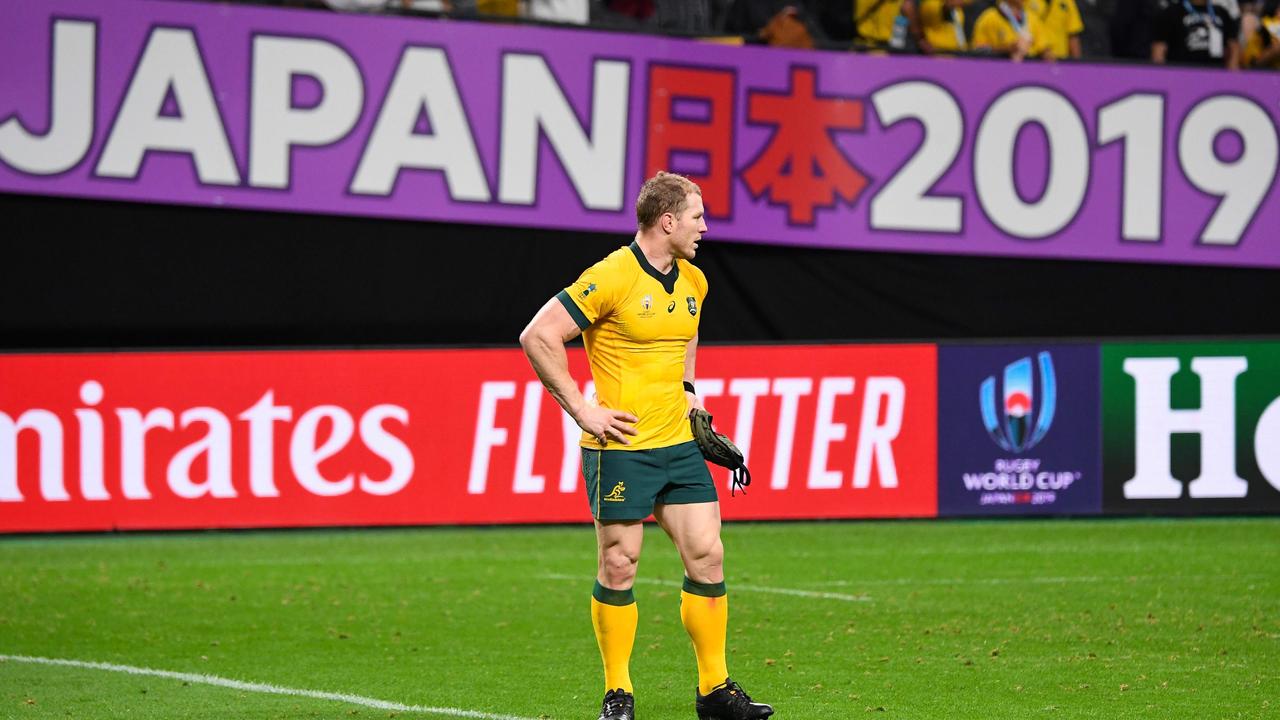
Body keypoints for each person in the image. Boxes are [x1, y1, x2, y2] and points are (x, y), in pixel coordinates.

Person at [519, 172, 774, 720]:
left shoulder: (694, 283)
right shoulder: (611, 275)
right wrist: (583, 410)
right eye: (697, 217)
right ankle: (618, 693)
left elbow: (686, 338)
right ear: (667, 221)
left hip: (678, 444)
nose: (705, 226)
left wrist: (687, 390)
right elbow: (538, 335)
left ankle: (715, 692)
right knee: (619, 563)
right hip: (621, 447)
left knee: (708, 554)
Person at [1151, 0, 1241, 68]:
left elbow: (1233, 46)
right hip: (1181, 72)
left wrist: (1232, 75)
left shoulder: (1222, 12)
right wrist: (1161, 76)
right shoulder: (1171, 12)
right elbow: (1159, 48)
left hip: (1216, 73)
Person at [972, 0, 1055, 61]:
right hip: (998, 71)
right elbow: (978, 51)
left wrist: (1047, 54)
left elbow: (1044, 48)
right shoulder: (989, 18)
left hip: (1028, 71)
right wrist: (1007, 49)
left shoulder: (1033, 19)